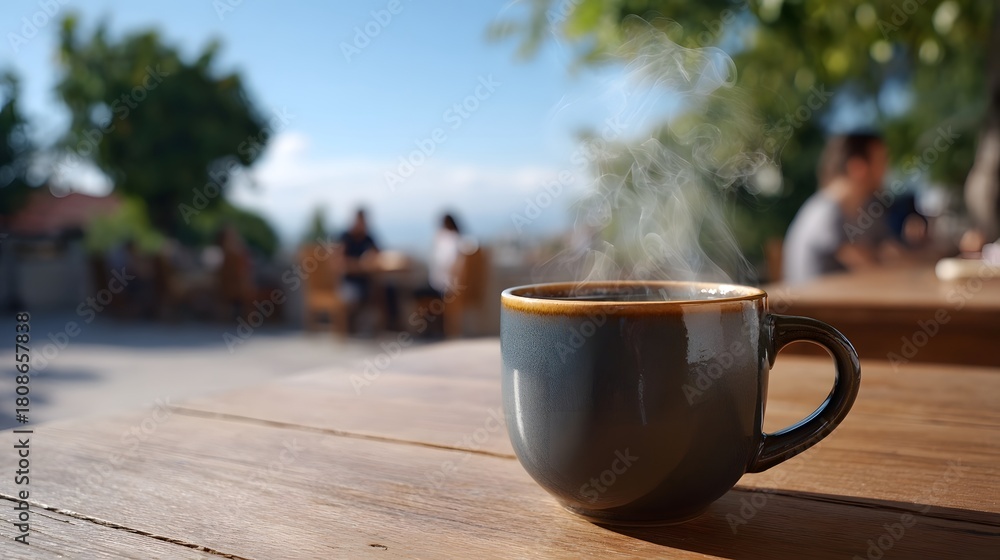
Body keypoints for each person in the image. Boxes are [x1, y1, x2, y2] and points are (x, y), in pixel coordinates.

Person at [783, 132, 907, 284]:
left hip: (846, 301)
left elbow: (890, 252)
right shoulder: (826, 211)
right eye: (881, 161)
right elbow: (869, 268)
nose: (886, 169)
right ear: (858, 167)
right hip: (815, 306)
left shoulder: (864, 208)